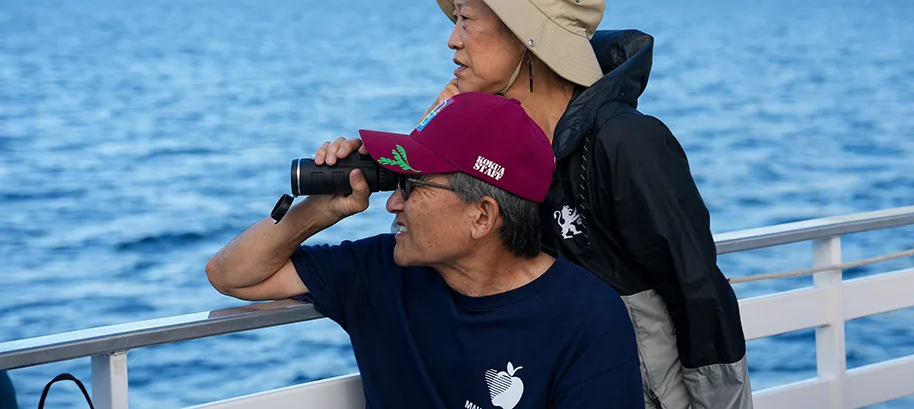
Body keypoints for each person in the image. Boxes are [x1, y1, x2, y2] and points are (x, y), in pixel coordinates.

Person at [322, 0, 752, 409]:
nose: (452, 39)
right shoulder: (494, 141)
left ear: (527, 36)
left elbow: (697, 289)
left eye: (466, 20)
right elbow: (439, 212)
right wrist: (408, 141)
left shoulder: (625, 143)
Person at [206, 92, 646, 409]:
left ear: (482, 216)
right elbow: (233, 275)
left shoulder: (587, 318)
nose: (393, 203)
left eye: (411, 186)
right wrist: (320, 209)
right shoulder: (381, 269)